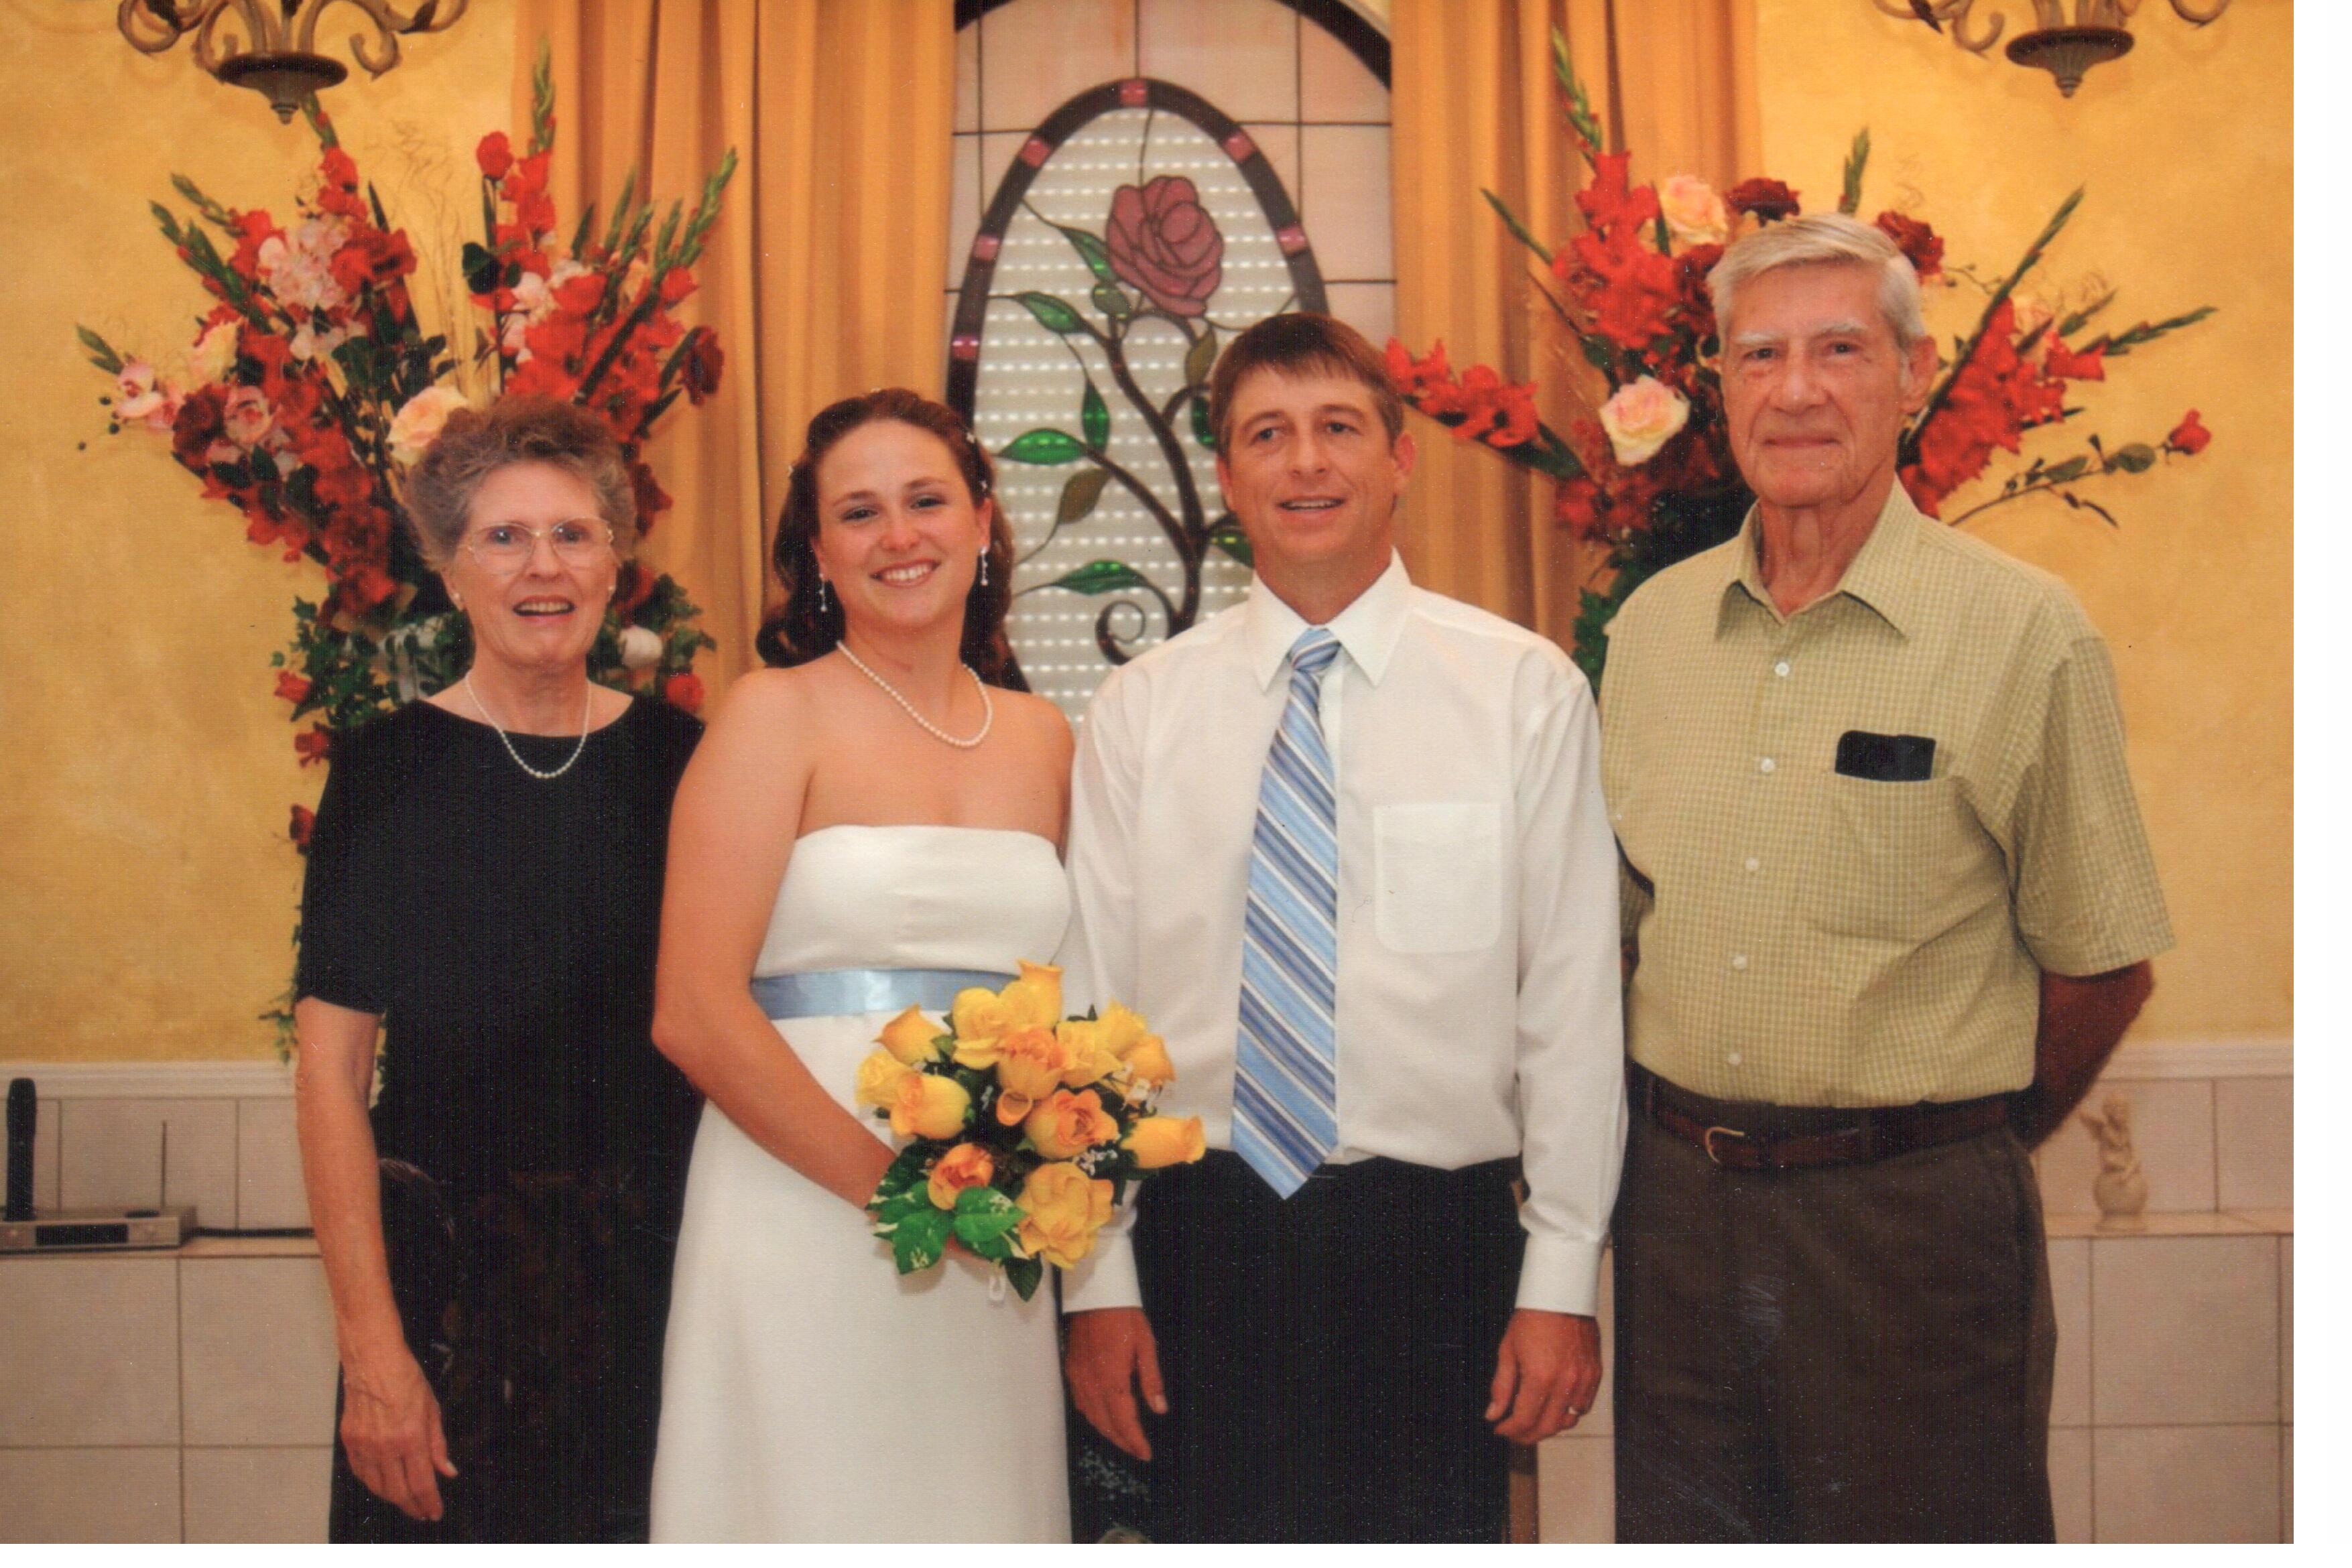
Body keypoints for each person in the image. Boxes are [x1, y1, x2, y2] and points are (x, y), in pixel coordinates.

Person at [1600, 213, 2174, 1542]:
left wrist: (1947, 1151)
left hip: (1910, 1232)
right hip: (1679, 1221)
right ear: (1717, 387)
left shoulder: (2021, 632)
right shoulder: (1651, 633)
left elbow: (2104, 966)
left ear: (1914, 375)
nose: (1796, 390)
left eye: (1841, 350)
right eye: (1759, 355)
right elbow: (1619, 938)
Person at [1058, 312, 1627, 1543]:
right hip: (1199, 1236)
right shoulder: (1141, 711)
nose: (1305, 462)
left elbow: (1571, 1007)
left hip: (1434, 1246)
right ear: (1227, 478)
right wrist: (1095, 1282)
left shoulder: (1523, 692)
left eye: (1337, 428)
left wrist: (1559, 1277)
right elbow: (1088, 1011)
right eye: (1267, 435)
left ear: (1398, 458)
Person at [647, 389, 1076, 1541]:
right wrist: (902, 1195)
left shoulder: (1043, 737)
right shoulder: (771, 715)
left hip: (989, 1213)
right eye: (858, 513)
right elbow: (692, 1010)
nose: (899, 536)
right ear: (820, 554)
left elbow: (1069, 997)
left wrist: (1014, 1183)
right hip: (798, 1200)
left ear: (981, 521)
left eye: (926, 500)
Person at [293, 395, 705, 1541]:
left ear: (616, 563)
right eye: (504, 537)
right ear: (449, 570)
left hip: (656, 1284)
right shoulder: (386, 771)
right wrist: (373, 1352)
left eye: (572, 534)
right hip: (448, 1301)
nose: (543, 566)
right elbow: (330, 1076)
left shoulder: (687, 763)